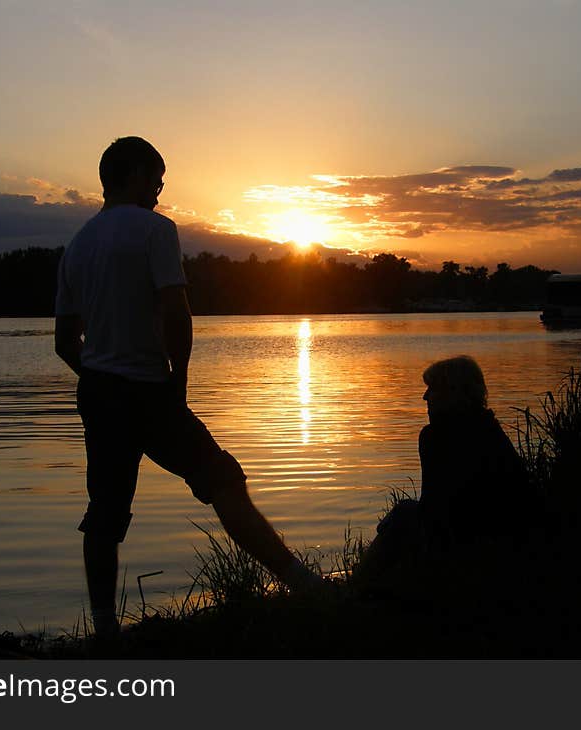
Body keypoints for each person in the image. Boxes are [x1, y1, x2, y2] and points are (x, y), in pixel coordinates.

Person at [55, 136, 317, 637]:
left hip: (101, 393)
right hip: (150, 391)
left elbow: (65, 341)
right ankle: (303, 584)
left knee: (105, 510)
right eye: (156, 177)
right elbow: (176, 310)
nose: (160, 187)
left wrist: (96, 375)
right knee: (222, 478)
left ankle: (105, 628)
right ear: (132, 175)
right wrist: (179, 383)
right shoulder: (156, 230)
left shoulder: (78, 244)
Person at [359, 355, 531, 588]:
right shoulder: (490, 429)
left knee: (402, 515)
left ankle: (355, 588)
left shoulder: (435, 437)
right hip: (508, 546)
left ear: (453, 393)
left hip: (469, 546)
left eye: (432, 389)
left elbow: (433, 512)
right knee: (404, 514)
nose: (425, 397)